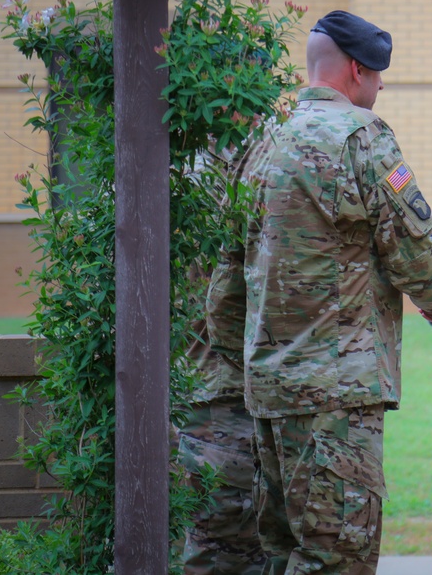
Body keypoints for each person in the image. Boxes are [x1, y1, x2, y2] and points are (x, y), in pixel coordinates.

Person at [206, 10, 432, 575]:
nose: (382, 85)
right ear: (355, 69)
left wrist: (249, 359)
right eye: (378, 74)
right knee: (336, 556)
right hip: (337, 397)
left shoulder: (260, 142)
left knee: (281, 550)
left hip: (268, 391)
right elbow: (413, 247)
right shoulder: (362, 137)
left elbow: (226, 280)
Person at [177, 148, 265, 575]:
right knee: (222, 542)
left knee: (228, 539)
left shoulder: (186, 171)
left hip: (218, 388)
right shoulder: (212, 185)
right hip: (222, 392)